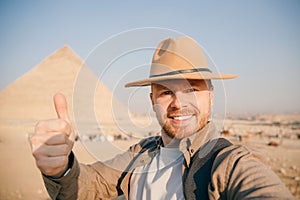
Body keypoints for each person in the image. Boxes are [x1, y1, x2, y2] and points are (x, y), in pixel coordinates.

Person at [29, 36, 293, 200]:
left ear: (211, 96)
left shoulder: (228, 164)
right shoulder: (140, 155)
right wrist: (60, 169)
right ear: (152, 101)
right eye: (166, 91)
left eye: (192, 88)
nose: (179, 103)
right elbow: (90, 186)